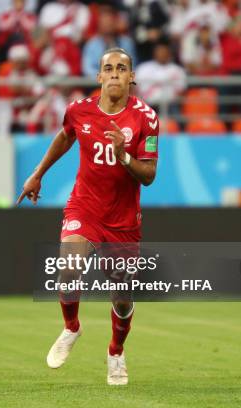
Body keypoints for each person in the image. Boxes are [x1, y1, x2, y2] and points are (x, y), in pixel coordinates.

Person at [17, 48, 159, 386]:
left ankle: (115, 351)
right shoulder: (78, 110)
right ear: (98, 77)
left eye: (121, 69)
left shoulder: (146, 118)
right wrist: (38, 173)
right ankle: (71, 327)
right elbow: (66, 136)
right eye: (107, 68)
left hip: (123, 219)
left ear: (131, 77)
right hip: (85, 206)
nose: (114, 74)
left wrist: (124, 156)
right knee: (68, 266)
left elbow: (149, 175)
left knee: (122, 298)